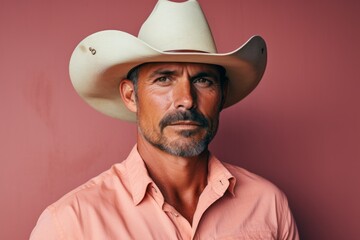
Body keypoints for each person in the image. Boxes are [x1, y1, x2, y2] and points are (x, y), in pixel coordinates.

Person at [30, 0, 299, 239]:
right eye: (164, 79)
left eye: (203, 80)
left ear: (222, 93)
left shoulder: (268, 206)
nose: (186, 99)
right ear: (130, 95)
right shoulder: (70, 224)